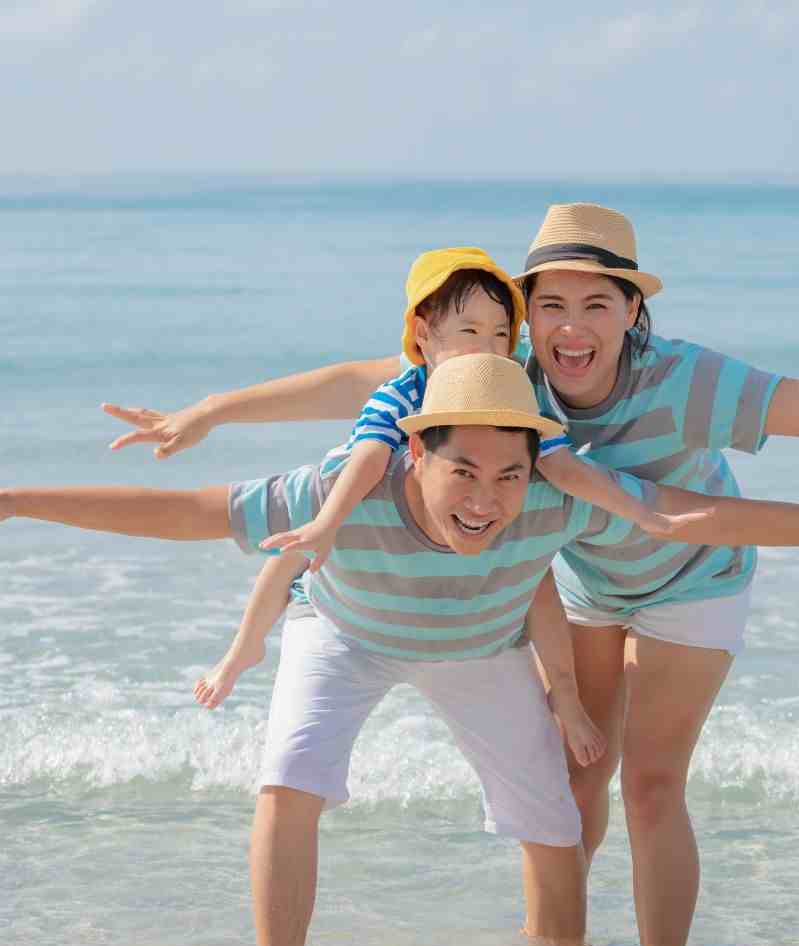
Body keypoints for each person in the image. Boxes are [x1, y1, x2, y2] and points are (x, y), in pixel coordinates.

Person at [98, 204, 799, 946]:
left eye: (596, 305)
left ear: (631, 312)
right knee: (577, 775)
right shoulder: (509, 373)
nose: (571, 328)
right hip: (589, 573)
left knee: (651, 784)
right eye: (552, 305)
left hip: (693, 569)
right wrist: (210, 411)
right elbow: (366, 381)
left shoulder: (684, 381)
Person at [4, 353, 799, 946]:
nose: (486, 499)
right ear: (414, 454)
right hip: (344, 634)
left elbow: (694, 511)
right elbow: (182, 512)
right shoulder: (337, 493)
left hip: (476, 648)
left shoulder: (554, 495)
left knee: (557, 818)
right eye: (463, 471)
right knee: (288, 780)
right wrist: (13, 496)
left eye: (508, 475)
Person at [193, 246, 691, 772]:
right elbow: (367, 460)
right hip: (357, 518)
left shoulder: (512, 396)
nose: (489, 347)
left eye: (502, 334)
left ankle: (564, 696)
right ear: (424, 334)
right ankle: (242, 650)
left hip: (483, 533)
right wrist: (326, 522)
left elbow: (566, 469)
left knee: (537, 573)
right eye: (470, 333)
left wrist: (640, 513)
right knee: (292, 546)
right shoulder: (402, 393)